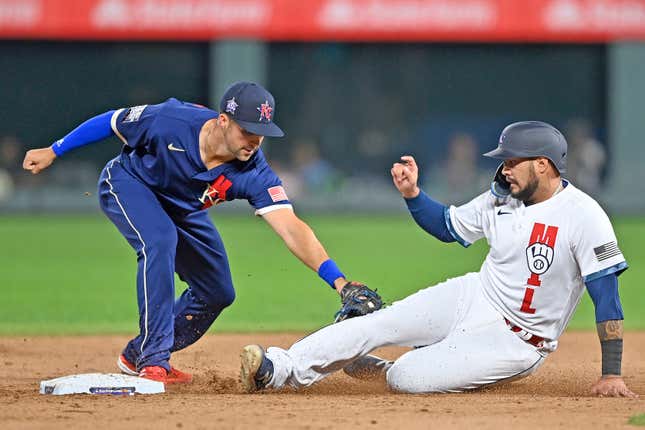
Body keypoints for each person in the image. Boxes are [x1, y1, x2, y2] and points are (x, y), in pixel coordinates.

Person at [240, 121, 637, 398]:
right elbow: (447, 226)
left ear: (543, 164)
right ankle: (280, 369)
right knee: (381, 321)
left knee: (407, 379)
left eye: (512, 161)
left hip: (518, 341)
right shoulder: (502, 199)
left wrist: (612, 373)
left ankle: (394, 369)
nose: (504, 168)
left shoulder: (584, 215)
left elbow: (607, 296)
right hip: (473, 295)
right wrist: (414, 194)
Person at [22, 81, 368, 384]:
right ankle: (153, 360)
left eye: (260, 133)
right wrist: (54, 150)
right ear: (223, 121)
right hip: (130, 183)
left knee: (218, 291)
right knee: (159, 241)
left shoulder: (254, 172)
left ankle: (136, 354)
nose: (254, 141)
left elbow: (291, 228)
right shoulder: (170, 121)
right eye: (246, 130)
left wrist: (340, 282)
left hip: (182, 206)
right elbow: (111, 121)